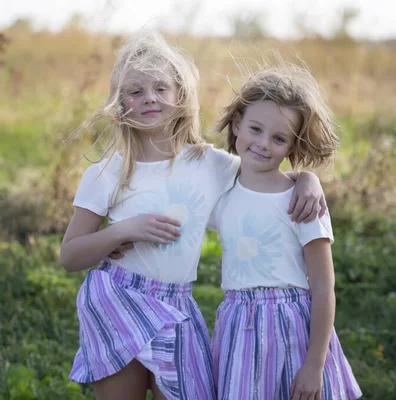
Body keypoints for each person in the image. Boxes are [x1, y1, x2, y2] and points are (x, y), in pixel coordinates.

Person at [59, 31, 326, 400]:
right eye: (135, 91)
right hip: (118, 299)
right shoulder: (107, 172)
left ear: (181, 96)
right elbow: (70, 256)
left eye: (160, 88)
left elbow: (265, 172)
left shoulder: (210, 163)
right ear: (121, 104)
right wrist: (121, 231)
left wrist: (307, 179)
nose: (149, 97)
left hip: (177, 303)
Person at [209, 64, 363, 400]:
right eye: (255, 129)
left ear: (292, 147)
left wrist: (314, 364)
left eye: (278, 138)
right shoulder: (220, 191)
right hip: (238, 326)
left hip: (292, 327)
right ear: (237, 124)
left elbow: (323, 287)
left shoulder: (304, 203)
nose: (263, 144)